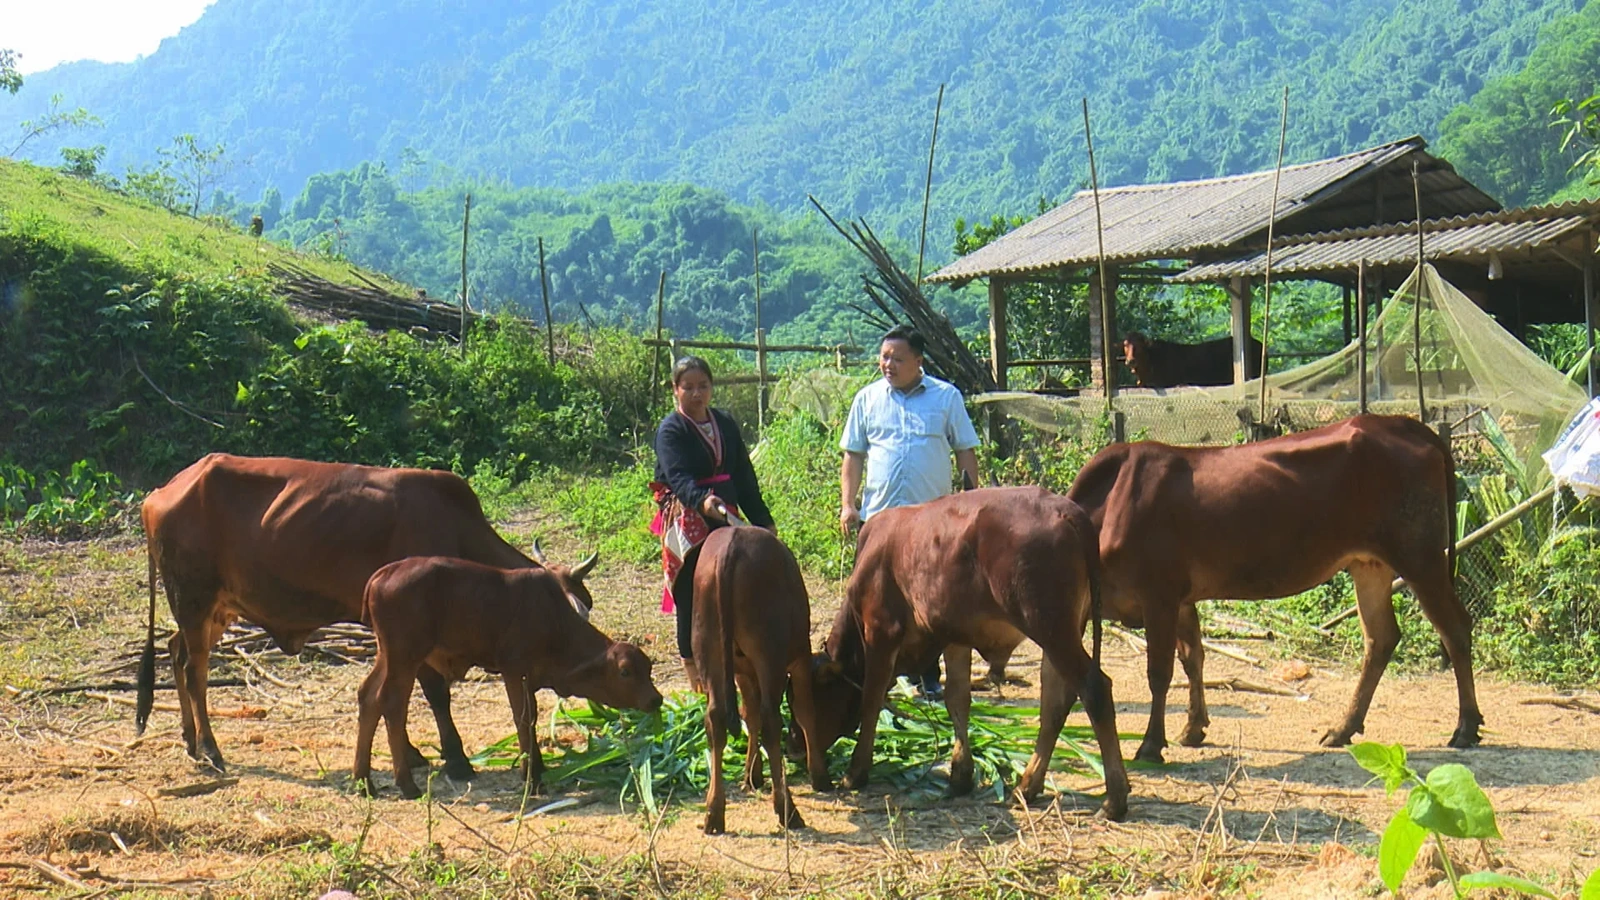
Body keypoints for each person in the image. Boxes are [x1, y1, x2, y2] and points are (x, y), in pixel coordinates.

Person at [840, 324, 981, 701]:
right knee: (875, 601)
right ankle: (875, 675)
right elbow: (853, 455)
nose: (888, 364)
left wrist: (971, 502)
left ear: (918, 361)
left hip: (930, 524)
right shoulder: (867, 399)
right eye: (884, 357)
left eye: (898, 359)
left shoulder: (946, 397)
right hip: (880, 521)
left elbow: (965, 450)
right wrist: (848, 504)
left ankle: (927, 674)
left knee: (932, 599)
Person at [650, 356, 775, 691]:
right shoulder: (671, 430)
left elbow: (744, 476)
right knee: (691, 590)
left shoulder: (725, 423)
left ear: (711, 387)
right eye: (688, 387)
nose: (696, 394)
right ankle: (695, 673)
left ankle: (739, 657)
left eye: (703, 386)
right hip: (688, 516)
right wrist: (702, 500)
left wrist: (762, 520)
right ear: (675, 390)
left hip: (726, 512)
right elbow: (677, 477)